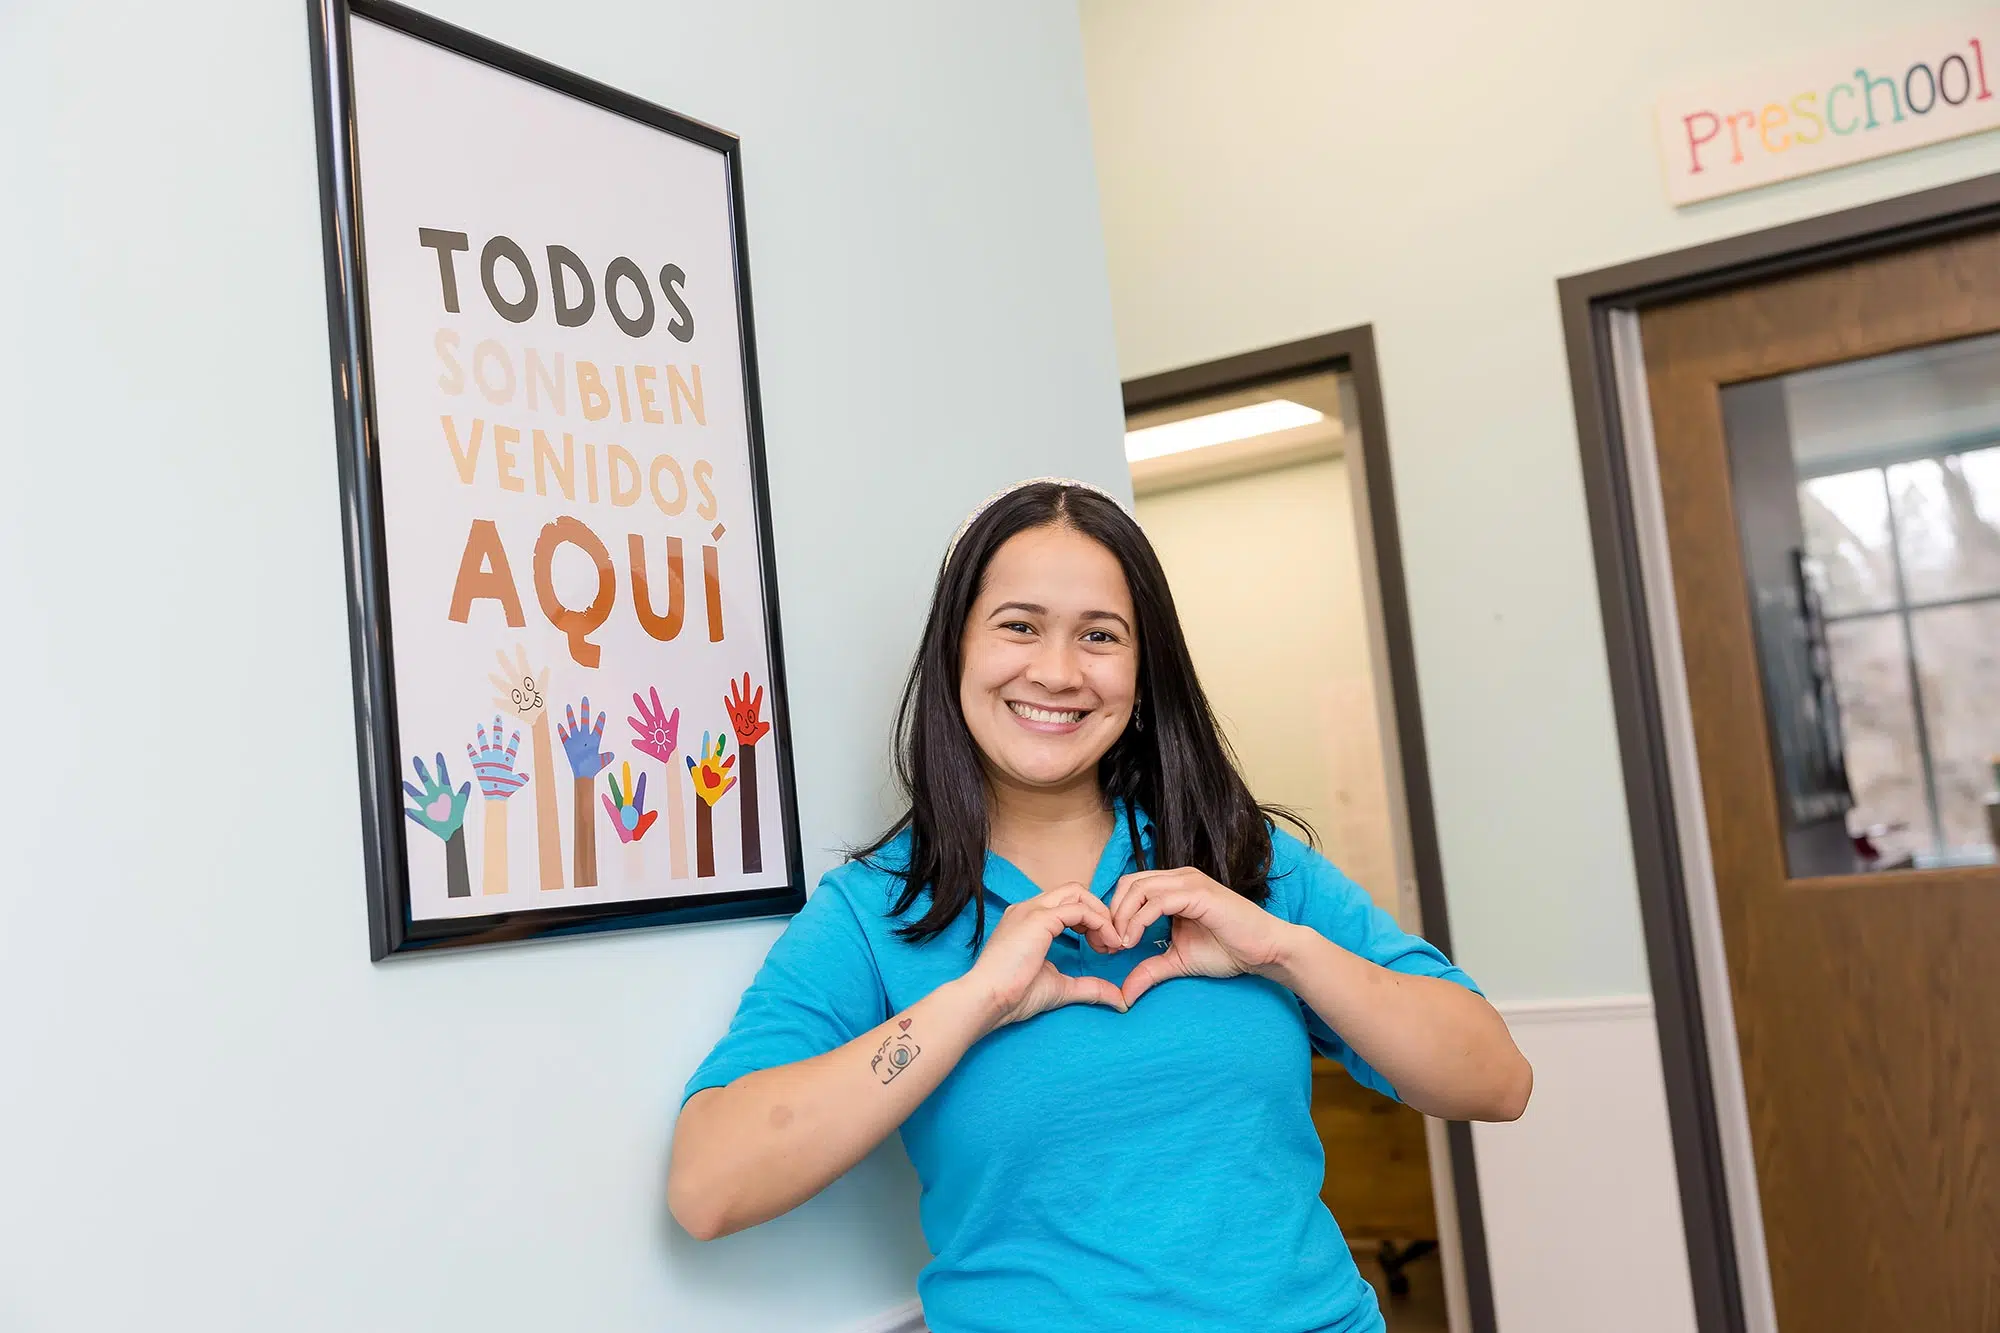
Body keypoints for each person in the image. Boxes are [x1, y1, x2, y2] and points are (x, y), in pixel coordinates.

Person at [669, 478, 1531, 1332]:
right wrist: (976, 1000)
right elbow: (710, 1185)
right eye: (1019, 626)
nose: (1056, 670)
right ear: (956, 652)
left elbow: (1496, 1079)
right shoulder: (879, 911)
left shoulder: (1243, 860)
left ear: (1143, 669)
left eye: (1100, 635)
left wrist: (1282, 949)